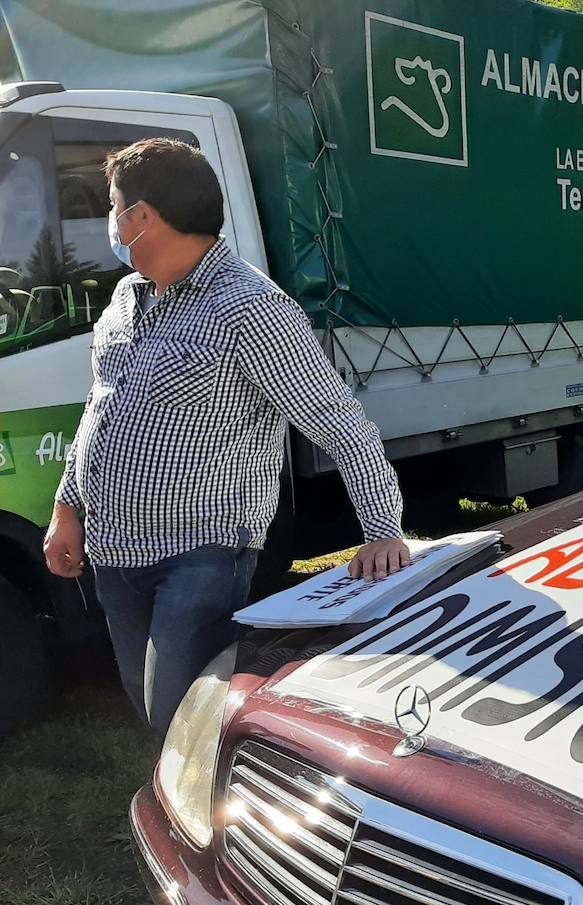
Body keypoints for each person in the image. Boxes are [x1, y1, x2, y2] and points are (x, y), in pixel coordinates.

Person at [43, 138, 410, 736]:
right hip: (114, 554)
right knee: (150, 708)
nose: (109, 221)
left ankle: (212, 824)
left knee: (182, 718)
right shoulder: (126, 297)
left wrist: (382, 531)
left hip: (201, 554)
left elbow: (341, 424)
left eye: (113, 206)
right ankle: (191, 811)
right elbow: (99, 409)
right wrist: (67, 508)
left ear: (141, 217)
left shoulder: (251, 308)